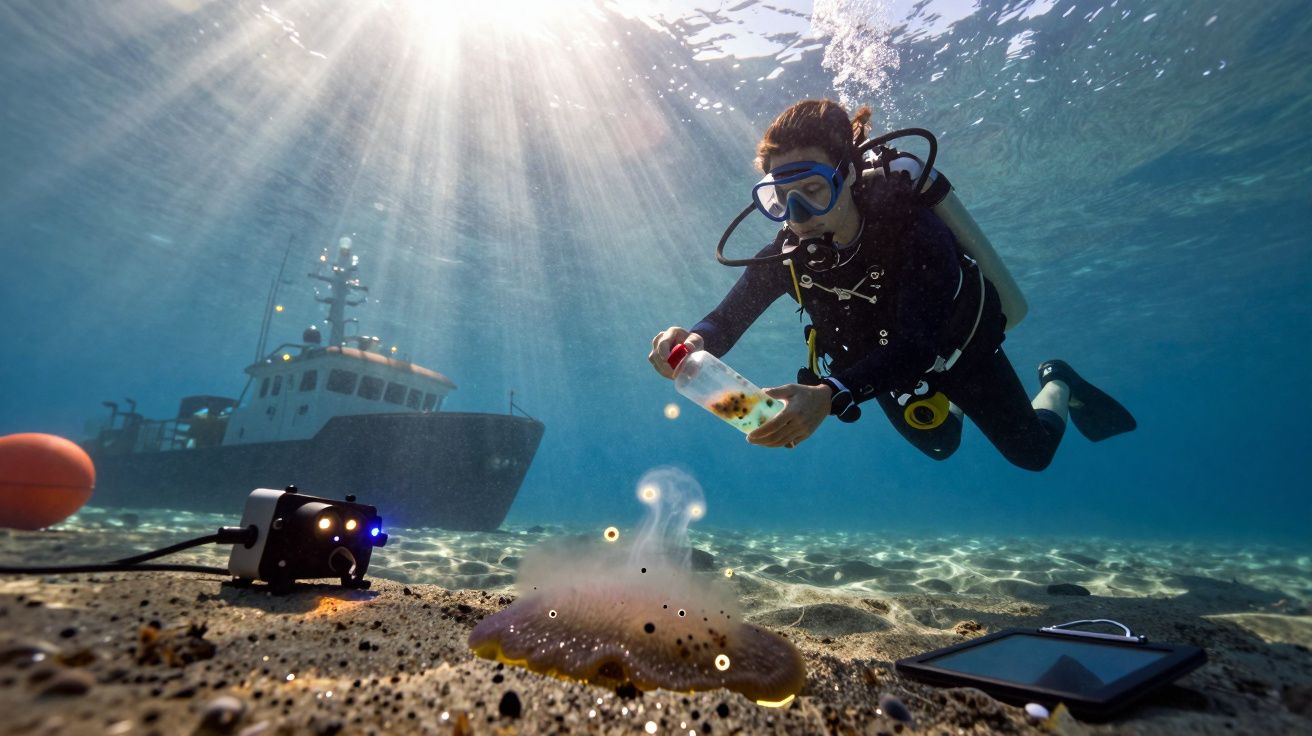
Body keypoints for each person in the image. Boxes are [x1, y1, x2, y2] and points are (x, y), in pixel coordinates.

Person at [648, 99, 1134, 470]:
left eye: (814, 191)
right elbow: (728, 317)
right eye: (782, 198)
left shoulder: (911, 228)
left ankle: (1058, 380)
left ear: (849, 175)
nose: (798, 217)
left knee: (1032, 453)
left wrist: (832, 392)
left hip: (959, 351)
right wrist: (692, 340)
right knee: (940, 444)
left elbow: (918, 341)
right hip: (876, 370)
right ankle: (947, 408)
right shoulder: (789, 253)